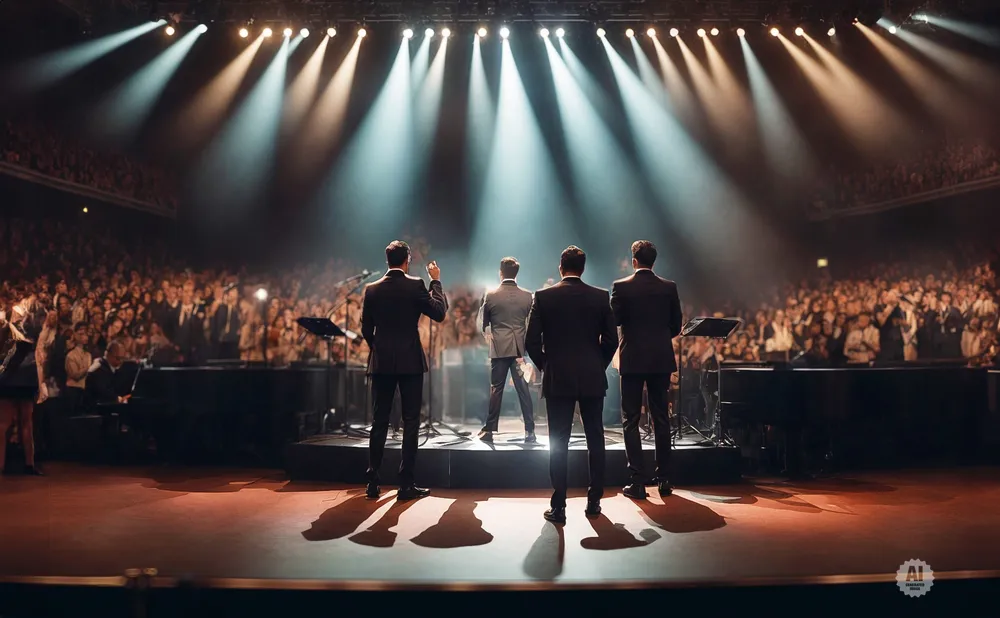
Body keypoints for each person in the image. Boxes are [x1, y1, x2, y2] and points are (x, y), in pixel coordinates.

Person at [526, 246, 618, 523]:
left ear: (560, 267)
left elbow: (531, 342)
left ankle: (560, 504)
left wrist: (547, 365)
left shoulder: (543, 297)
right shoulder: (601, 296)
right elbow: (612, 341)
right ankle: (594, 501)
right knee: (595, 437)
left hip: (558, 376)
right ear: (584, 267)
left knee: (558, 441)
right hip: (591, 374)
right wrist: (596, 364)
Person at [360, 241, 448, 501]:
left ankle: (373, 480)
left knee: (379, 420)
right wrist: (436, 282)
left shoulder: (371, 289)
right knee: (411, 422)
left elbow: (366, 328)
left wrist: (378, 348)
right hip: (410, 361)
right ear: (407, 259)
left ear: (387, 260)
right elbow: (440, 313)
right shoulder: (416, 285)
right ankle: (405, 484)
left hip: (382, 361)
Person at [610, 240, 681, 500]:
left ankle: (638, 481)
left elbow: (613, 321)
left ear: (634, 260)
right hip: (661, 359)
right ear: (654, 261)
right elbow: (676, 325)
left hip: (632, 359)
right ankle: (664, 479)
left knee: (631, 420)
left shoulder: (621, 287)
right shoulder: (669, 287)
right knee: (661, 417)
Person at [477, 256, 536, 444]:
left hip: (499, 349)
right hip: (519, 350)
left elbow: (483, 323)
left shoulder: (491, 295)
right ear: (516, 273)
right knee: (523, 390)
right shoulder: (528, 296)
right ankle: (530, 431)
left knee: (496, 389)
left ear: (500, 272)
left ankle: (490, 430)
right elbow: (532, 325)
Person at [0, 296, 45, 476]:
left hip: (11, 379)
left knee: (5, 423)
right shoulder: (31, 329)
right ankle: (28, 464)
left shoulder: (9, 328)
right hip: (25, 379)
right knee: (23, 422)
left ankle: (4, 465)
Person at [211, 284, 242, 360]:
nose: (232, 294)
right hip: (220, 340)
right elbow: (214, 321)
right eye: (231, 292)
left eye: (234, 292)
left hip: (233, 340)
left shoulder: (239, 308)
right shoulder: (221, 307)